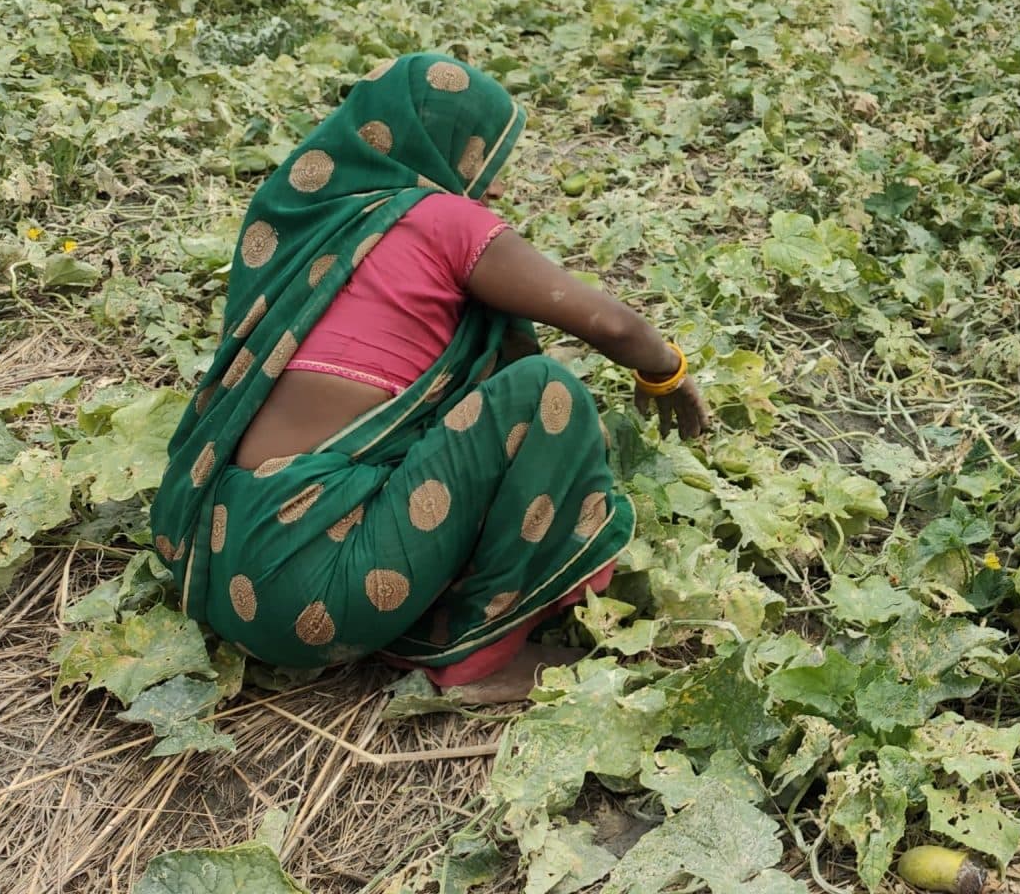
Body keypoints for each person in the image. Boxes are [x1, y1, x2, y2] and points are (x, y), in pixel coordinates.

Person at [147, 53, 708, 703]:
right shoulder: (441, 219)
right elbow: (612, 327)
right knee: (544, 393)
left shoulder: (326, 226)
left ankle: (401, 597)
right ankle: (481, 657)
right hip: (316, 590)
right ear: (439, 149)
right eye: (482, 162)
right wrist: (666, 372)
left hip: (218, 567)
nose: (493, 187)